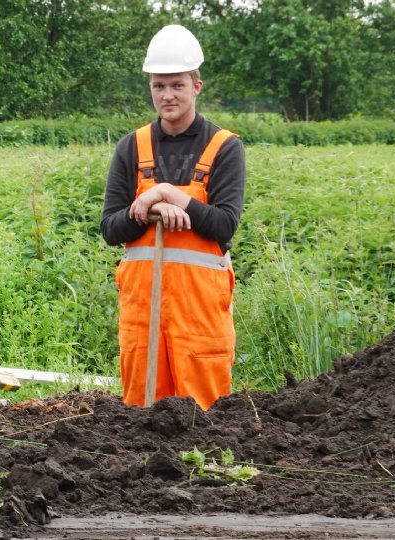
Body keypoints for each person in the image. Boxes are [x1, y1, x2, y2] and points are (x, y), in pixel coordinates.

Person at [100, 24, 246, 410]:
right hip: (142, 317)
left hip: (199, 318)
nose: (167, 95)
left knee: (205, 419)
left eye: (177, 85)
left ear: (196, 86)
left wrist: (169, 195)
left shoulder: (225, 147)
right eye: (159, 86)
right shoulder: (131, 146)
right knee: (139, 419)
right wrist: (150, 207)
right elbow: (111, 229)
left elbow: (224, 224)